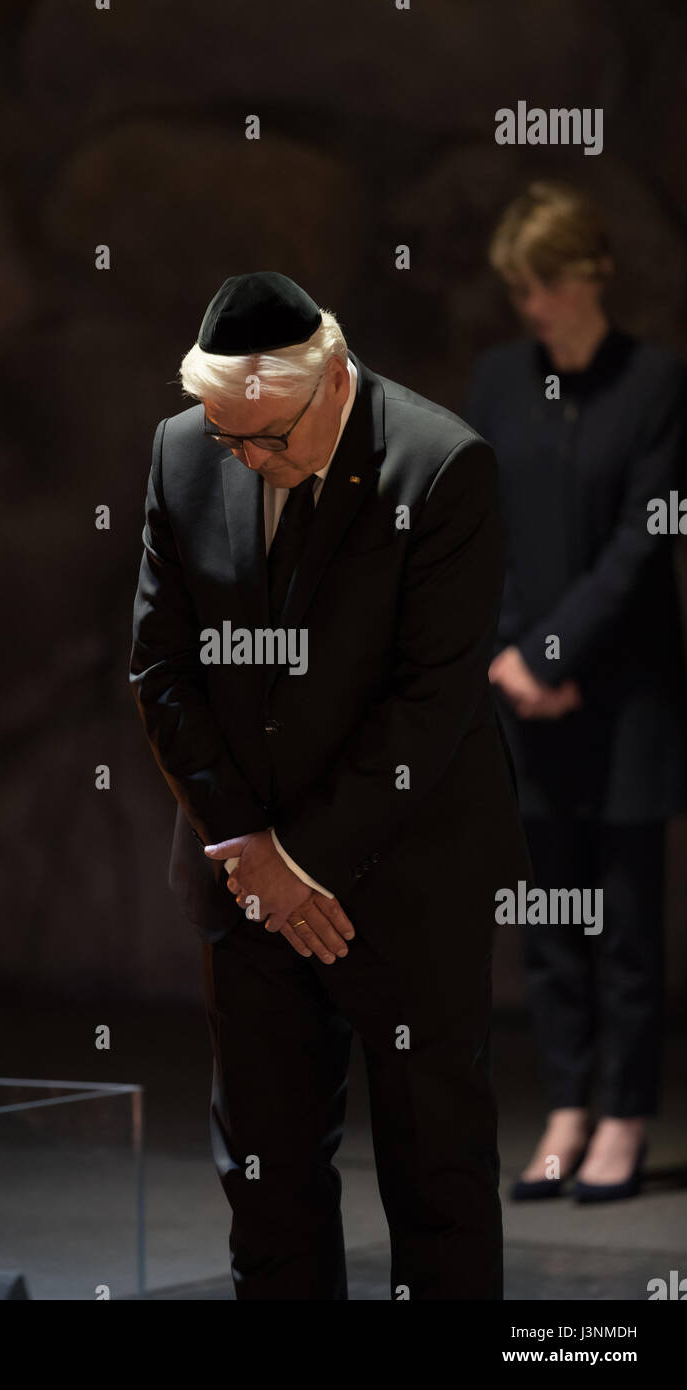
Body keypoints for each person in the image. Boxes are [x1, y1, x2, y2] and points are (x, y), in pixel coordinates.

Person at [130, 270, 531, 1299]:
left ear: (335, 378)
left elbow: (428, 702)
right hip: (243, 881)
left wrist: (292, 855)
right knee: (266, 1185)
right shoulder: (185, 449)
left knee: (435, 1175)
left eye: (268, 438)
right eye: (230, 439)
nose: (248, 460)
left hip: (409, 874)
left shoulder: (442, 467)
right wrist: (245, 849)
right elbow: (162, 670)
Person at [465, 182, 687, 1203]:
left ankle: (624, 1114)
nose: (531, 304)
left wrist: (552, 654)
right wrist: (517, 657)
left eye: (544, 281)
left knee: (629, 927)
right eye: (519, 285)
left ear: (590, 273)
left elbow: (645, 542)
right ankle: (563, 1106)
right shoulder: (497, 382)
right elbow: (480, 530)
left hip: (626, 696)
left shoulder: (657, 385)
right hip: (525, 694)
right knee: (550, 920)